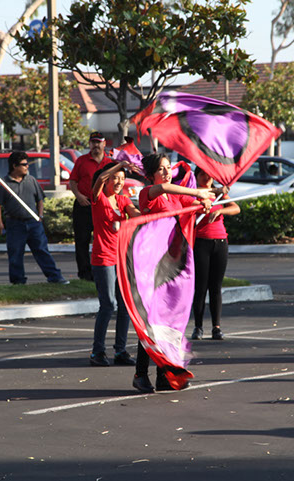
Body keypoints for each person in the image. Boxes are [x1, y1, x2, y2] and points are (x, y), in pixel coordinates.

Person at [132, 153, 215, 393]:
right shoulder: (148, 193)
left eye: (169, 167)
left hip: (172, 264)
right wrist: (198, 193)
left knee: (168, 321)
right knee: (150, 322)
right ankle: (140, 373)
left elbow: (192, 208)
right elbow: (166, 187)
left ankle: (163, 374)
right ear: (150, 175)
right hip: (153, 265)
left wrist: (205, 201)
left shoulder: (173, 196)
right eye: (161, 168)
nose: (167, 172)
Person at [89, 161, 142, 367]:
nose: (119, 181)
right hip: (103, 257)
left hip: (121, 257)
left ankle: (120, 351)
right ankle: (97, 352)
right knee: (108, 304)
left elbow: (136, 214)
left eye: (122, 178)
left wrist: (148, 215)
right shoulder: (98, 197)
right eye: (115, 178)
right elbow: (100, 178)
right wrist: (120, 163)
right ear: (108, 180)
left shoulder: (123, 200)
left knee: (125, 305)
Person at [0, 151, 69, 285]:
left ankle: (55, 277)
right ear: (14, 166)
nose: (27, 166)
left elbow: (40, 199)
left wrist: (40, 216)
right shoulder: (3, 184)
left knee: (42, 250)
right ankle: (18, 281)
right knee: (15, 253)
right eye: (24, 164)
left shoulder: (31, 180)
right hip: (14, 224)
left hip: (33, 223)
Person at [191, 167, 240, 341]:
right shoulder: (193, 193)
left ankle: (216, 327)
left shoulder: (219, 195)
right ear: (196, 177)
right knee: (201, 287)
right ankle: (198, 327)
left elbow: (235, 208)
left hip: (220, 242)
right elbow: (187, 211)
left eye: (209, 174)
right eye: (202, 174)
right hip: (200, 242)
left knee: (216, 287)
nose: (206, 177)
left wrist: (220, 210)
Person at [69, 132, 113, 281]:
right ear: (89, 144)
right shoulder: (81, 161)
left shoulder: (109, 163)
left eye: (98, 142)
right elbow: (73, 181)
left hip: (102, 206)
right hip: (84, 204)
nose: (96, 145)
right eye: (93, 142)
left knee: (101, 240)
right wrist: (79, 196)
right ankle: (84, 273)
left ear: (104, 144)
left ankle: (102, 271)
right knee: (82, 240)